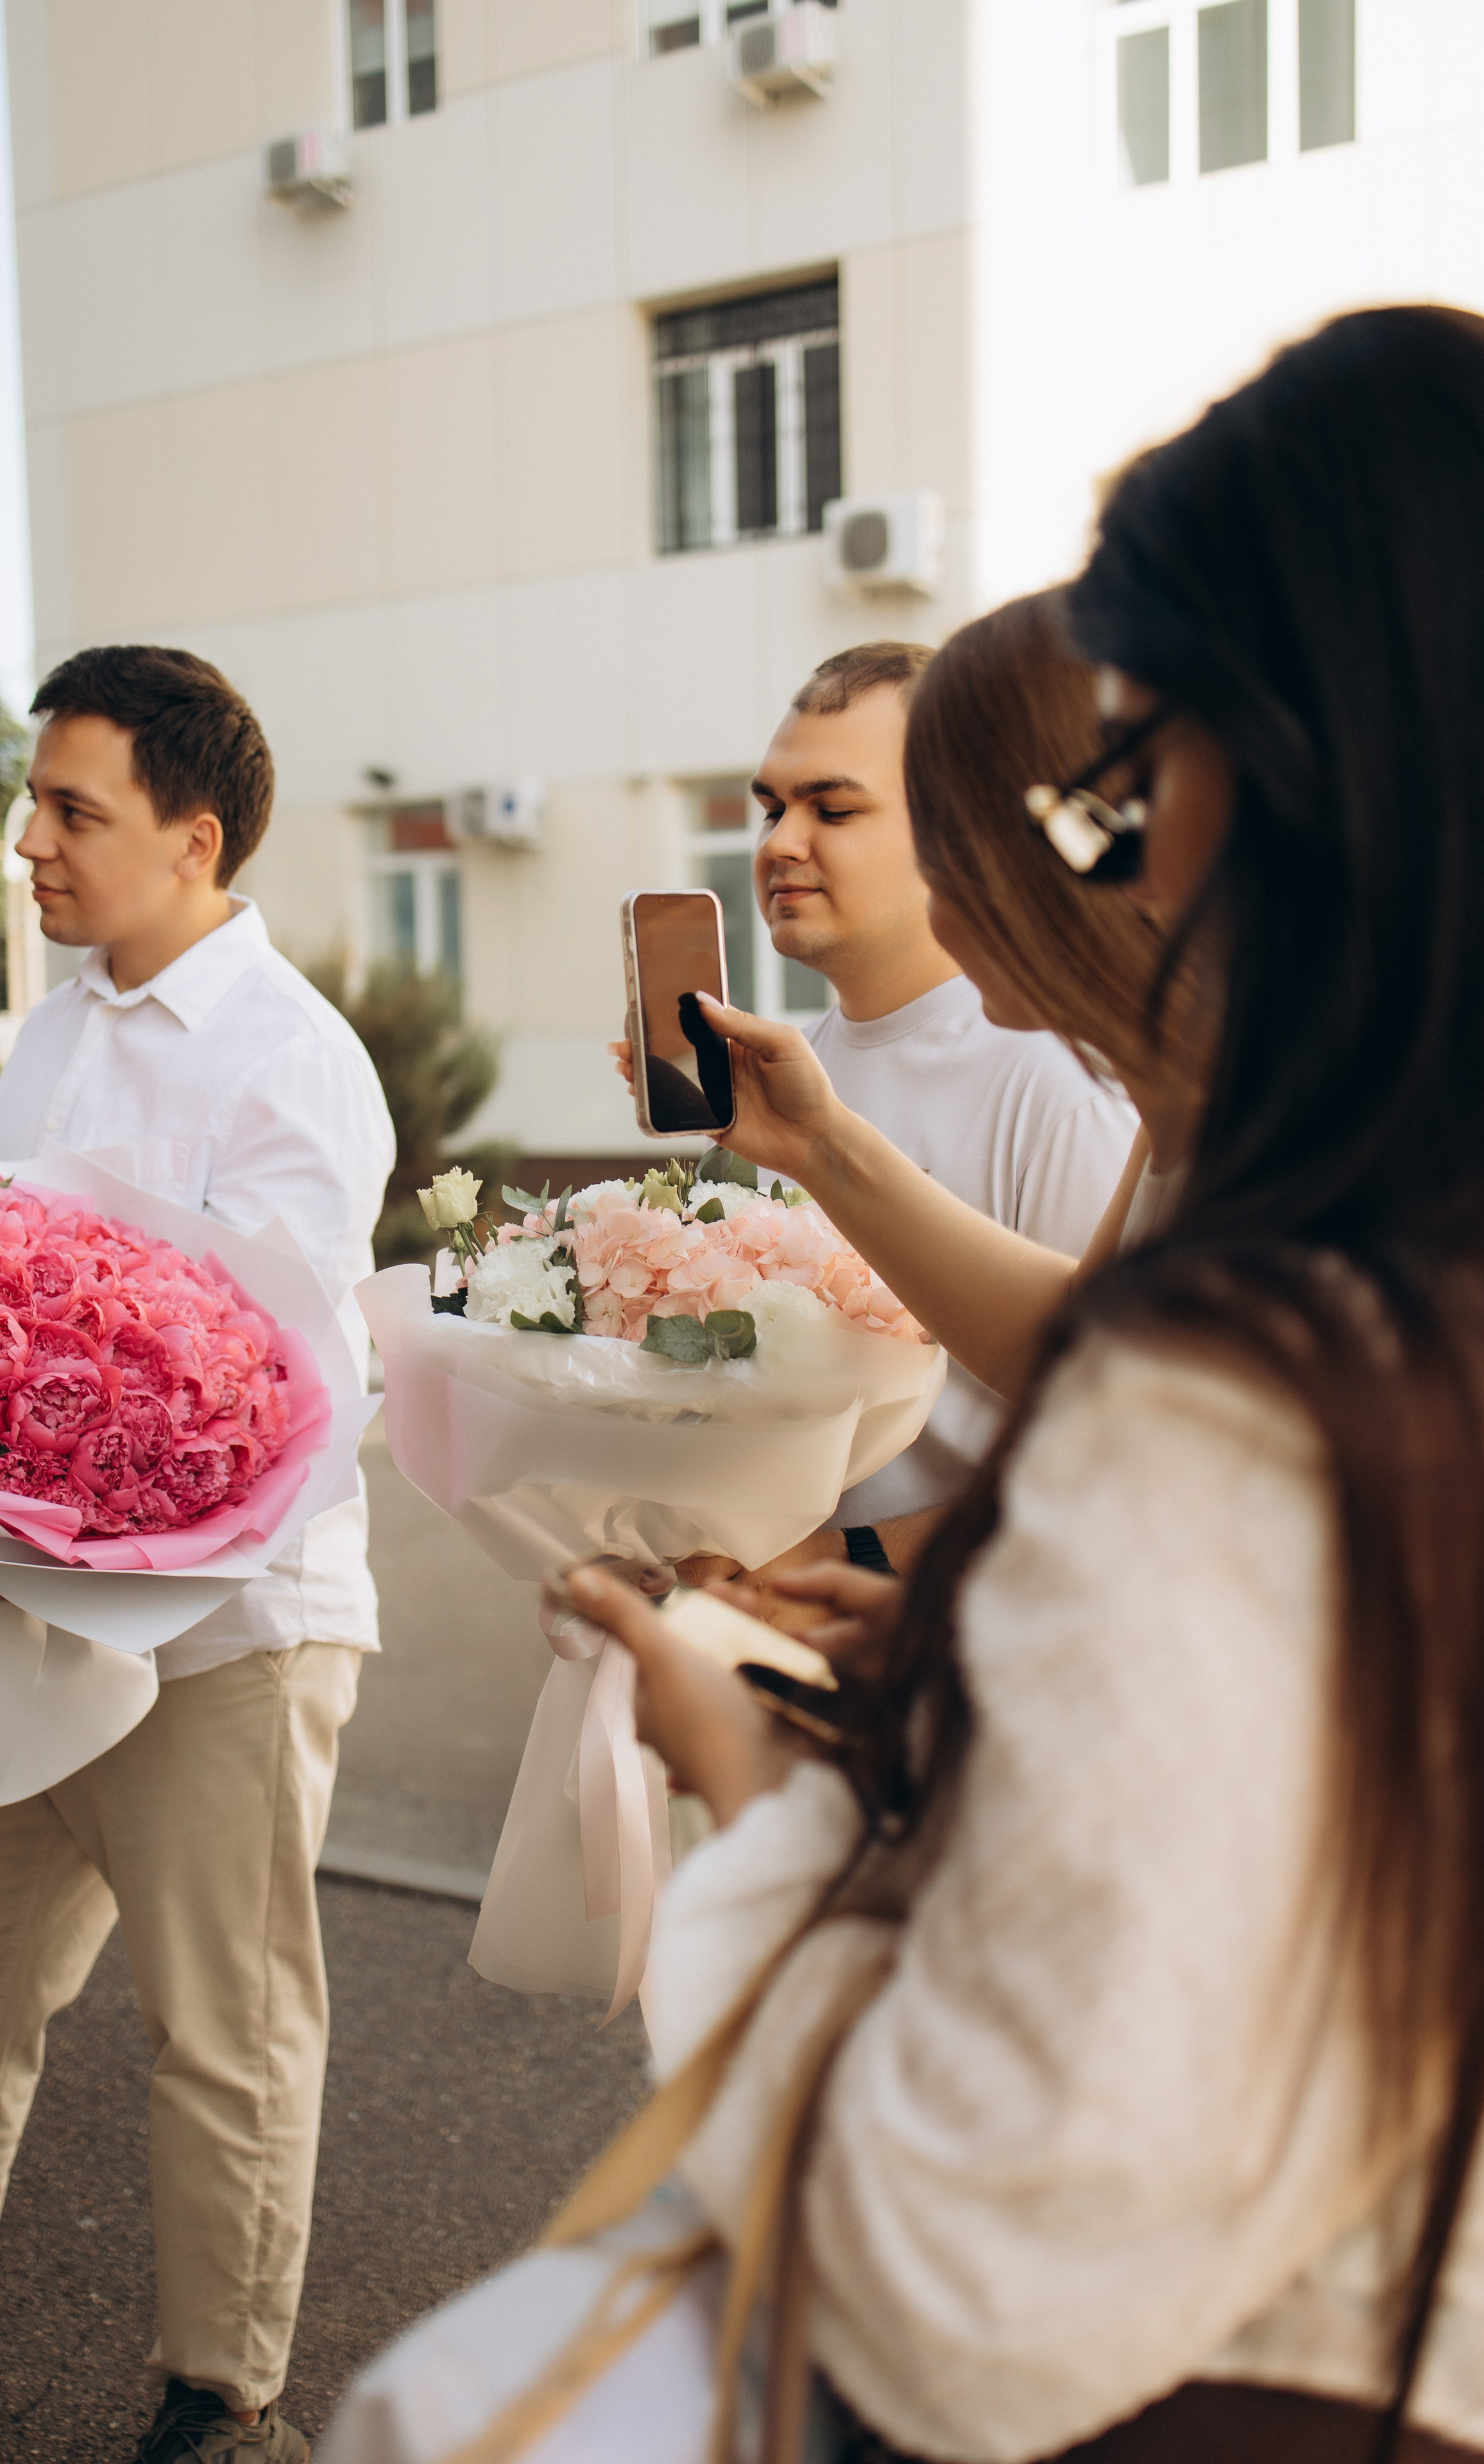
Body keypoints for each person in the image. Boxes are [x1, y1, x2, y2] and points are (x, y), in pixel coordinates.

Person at [563, 305, 1484, 2458]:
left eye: (1125, 769)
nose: (1107, 851)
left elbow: (955, 2278)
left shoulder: (1252, 1377)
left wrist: (766, 1812)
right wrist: (1004, 1658)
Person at [0, 648, 395, 2463]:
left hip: (230, 1632)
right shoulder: (64, 1018)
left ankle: (218, 2403)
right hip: (11, 1610)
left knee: (221, 2029)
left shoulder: (293, 1060)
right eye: (32, 804)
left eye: (72, 809)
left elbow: (266, 1393)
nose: (28, 843)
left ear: (195, 834)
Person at [674, 640, 1138, 1584]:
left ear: (957, 831)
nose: (779, 844)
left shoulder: (1065, 1078)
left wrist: (854, 1560)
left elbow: (1116, 1432)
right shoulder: (789, 1081)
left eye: (833, 809)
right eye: (769, 808)